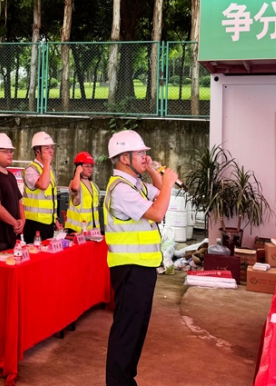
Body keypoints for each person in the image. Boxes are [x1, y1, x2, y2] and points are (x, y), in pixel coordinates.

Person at [104, 130, 177, 386]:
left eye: (146, 153)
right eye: (140, 153)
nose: (145, 157)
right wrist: (168, 182)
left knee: (137, 331)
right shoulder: (121, 189)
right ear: (124, 158)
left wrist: (153, 170)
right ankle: (118, 382)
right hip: (130, 270)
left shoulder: (135, 184)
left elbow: (160, 193)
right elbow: (157, 213)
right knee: (127, 332)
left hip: (143, 268)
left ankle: (127, 380)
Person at [22, 131, 59, 242]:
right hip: (34, 224)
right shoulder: (31, 169)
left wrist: (55, 219)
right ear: (37, 151)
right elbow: (43, 185)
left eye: (52, 147)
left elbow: (50, 198)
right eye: (47, 148)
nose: (51, 151)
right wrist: (47, 163)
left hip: (48, 223)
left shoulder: (49, 169)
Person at [65, 151, 101, 233]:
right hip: (77, 230)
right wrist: (78, 172)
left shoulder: (94, 186)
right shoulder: (75, 183)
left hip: (92, 230)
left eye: (91, 166)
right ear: (79, 167)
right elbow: (75, 188)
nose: (90, 169)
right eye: (87, 166)